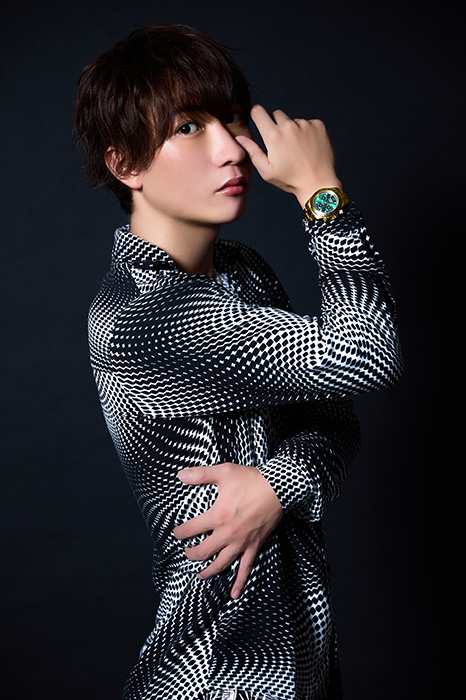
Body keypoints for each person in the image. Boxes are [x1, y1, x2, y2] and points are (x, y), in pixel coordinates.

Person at [74, 24, 403, 700]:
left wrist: (276, 484)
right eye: (188, 128)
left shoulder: (241, 272)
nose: (231, 148)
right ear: (125, 164)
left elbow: (337, 421)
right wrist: (321, 192)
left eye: (229, 119)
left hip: (304, 660)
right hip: (216, 670)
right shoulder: (143, 317)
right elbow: (368, 352)